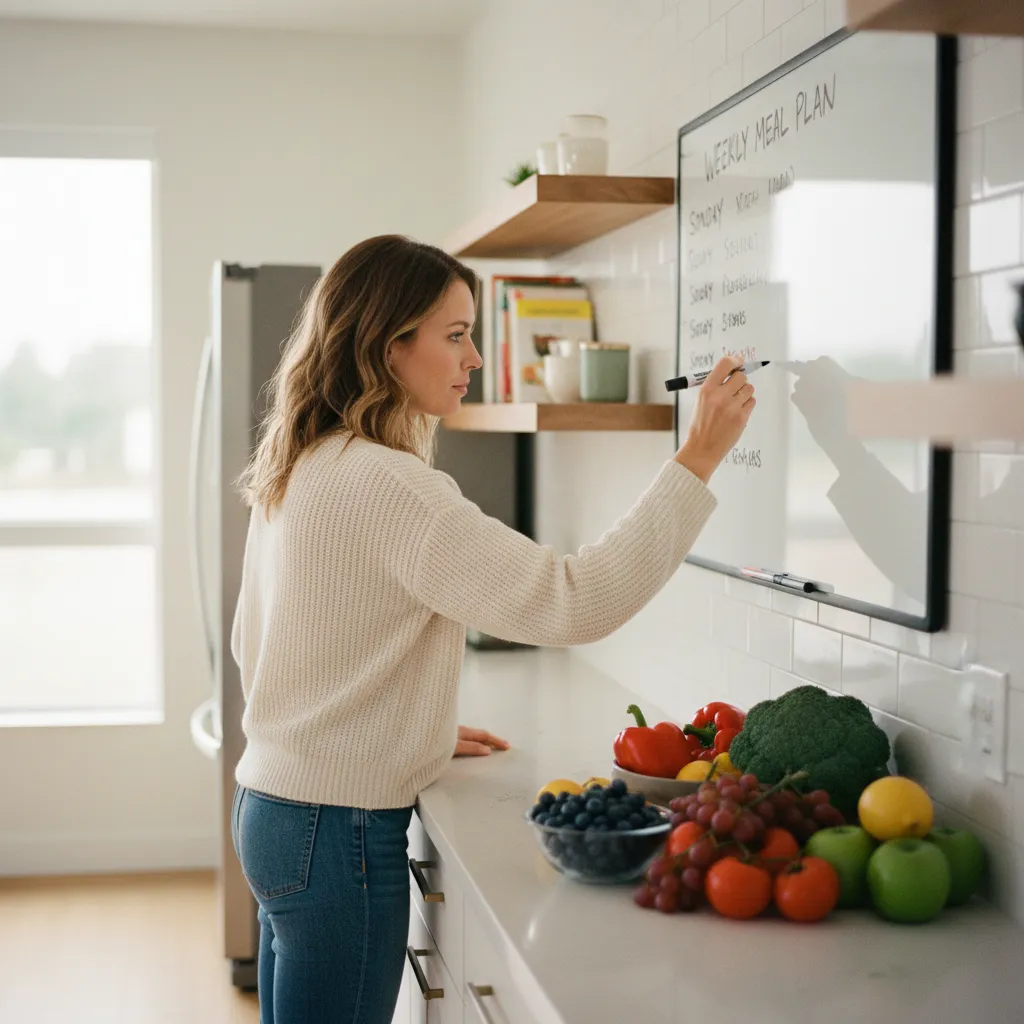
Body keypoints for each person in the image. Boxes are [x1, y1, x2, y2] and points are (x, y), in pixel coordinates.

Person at [228, 234, 755, 1024]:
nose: (474, 356)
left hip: (272, 809)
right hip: (332, 835)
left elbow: (262, 646)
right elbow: (575, 600)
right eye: (456, 334)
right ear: (389, 343)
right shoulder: (393, 486)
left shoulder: (305, 460)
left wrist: (403, 726)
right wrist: (699, 457)